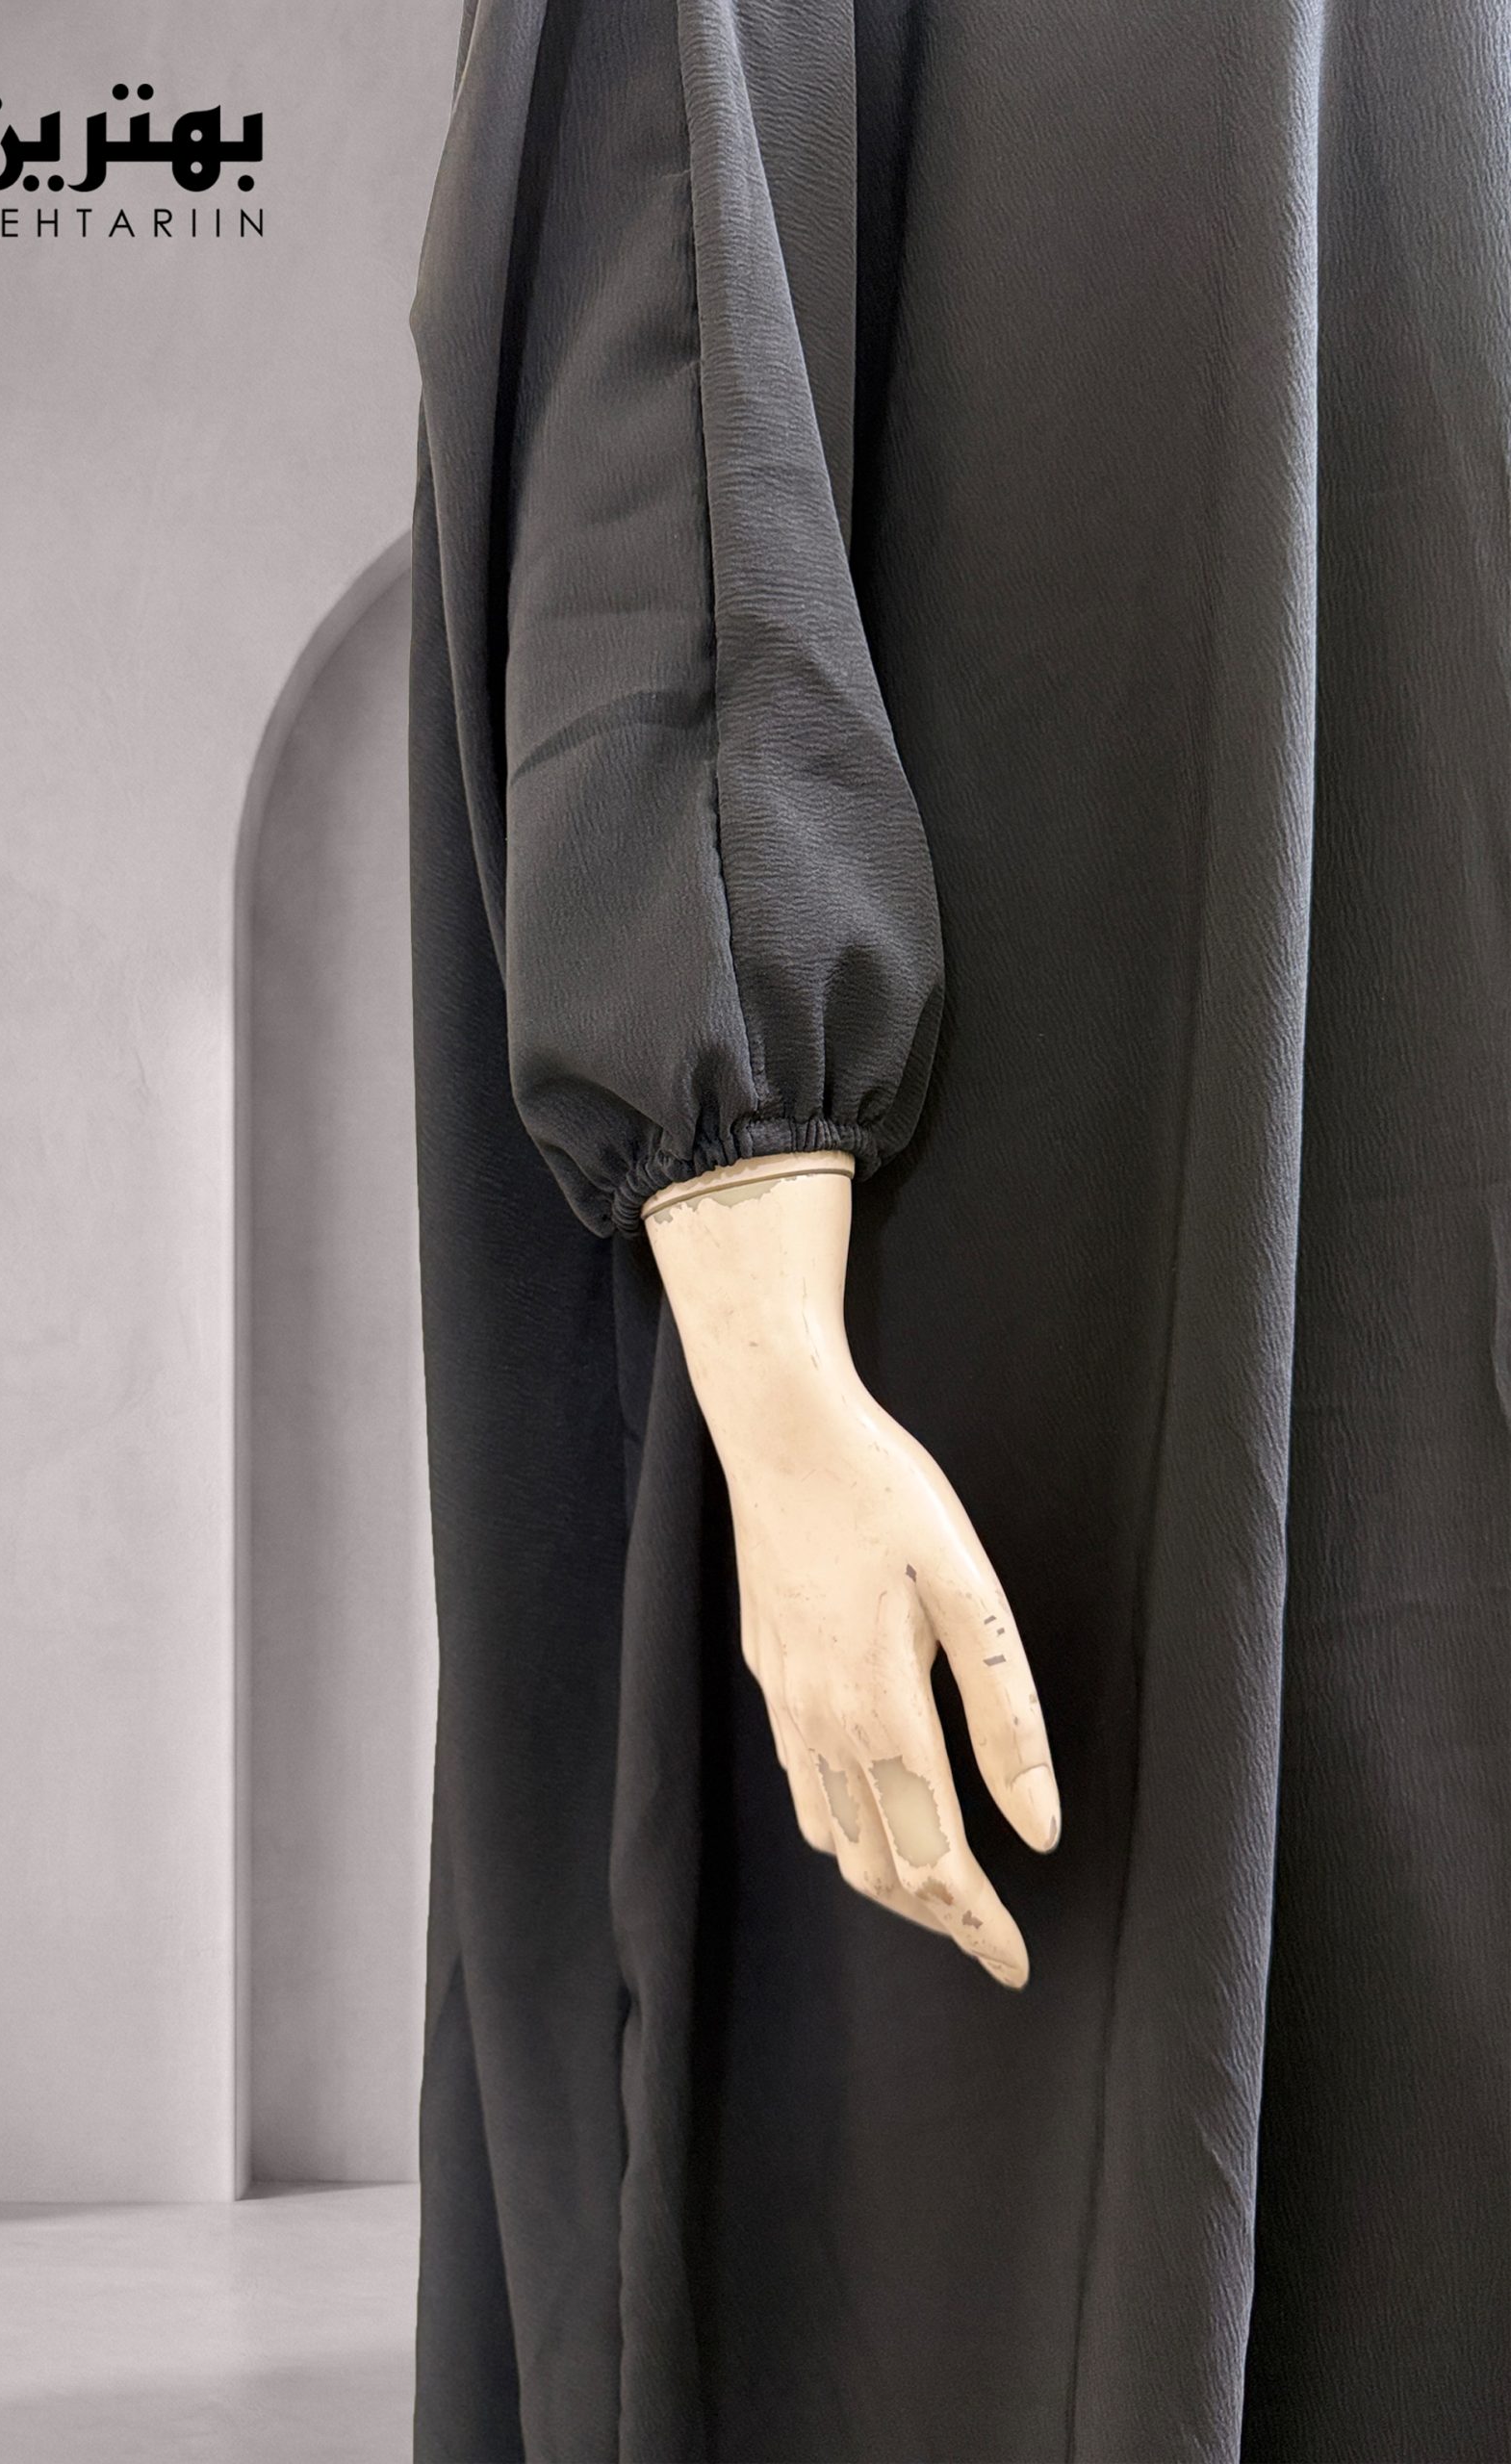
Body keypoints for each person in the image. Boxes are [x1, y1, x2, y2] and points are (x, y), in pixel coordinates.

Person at [406, 1, 1511, 2455]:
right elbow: (664, 366)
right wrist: (776, 1371)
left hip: (1386, 1241)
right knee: (978, 2207)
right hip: (994, 1301)